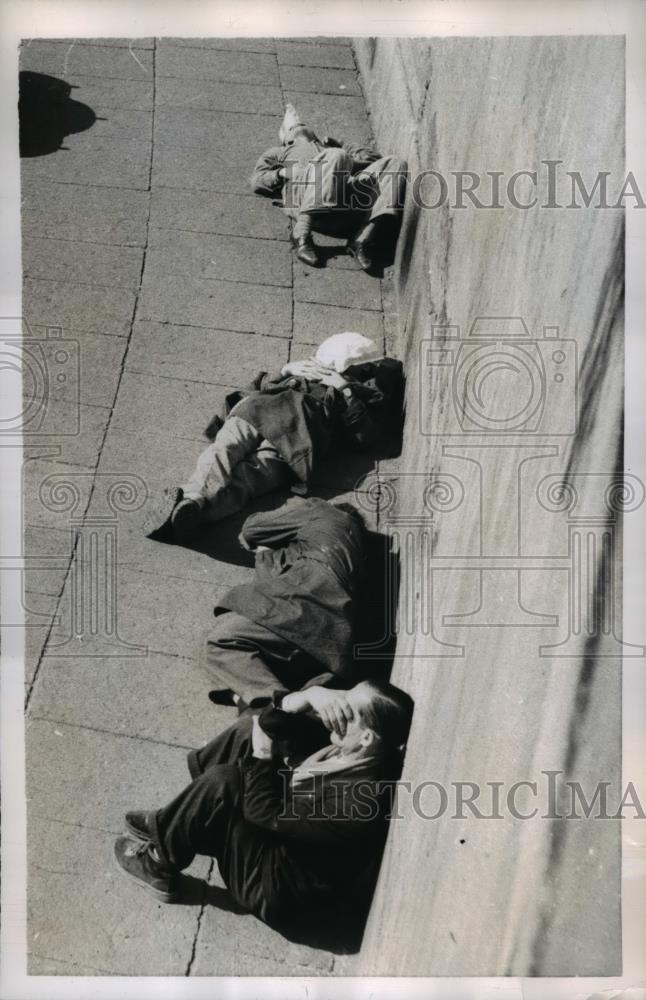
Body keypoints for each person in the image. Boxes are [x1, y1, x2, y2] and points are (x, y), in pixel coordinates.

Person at [113, 679, 414, 931]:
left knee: (226, 781)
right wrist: (307, 696)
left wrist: (261, 753)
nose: (336, 707)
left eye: (347, 707)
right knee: (246, 732)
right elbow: (272, 722)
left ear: (366, 738)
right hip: (280, 835)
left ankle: (159, 863)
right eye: (342, 696)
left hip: (273, 886)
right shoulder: (354, 747)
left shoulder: (359, 802)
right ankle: (180, 823)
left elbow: (264, 812)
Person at [144, 332, 404, 544]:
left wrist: (346, 392)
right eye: (366, 366)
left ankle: (188, 513)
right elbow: (255, 388)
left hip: (294, 444)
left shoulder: (358, 393)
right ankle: (194, 500)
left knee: (247, 477)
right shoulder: (305, 371)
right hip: (263, 417)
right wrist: (284, 370)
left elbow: (365, 438)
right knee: (225, 453)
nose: (371, 369)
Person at [204, 496, 368, 707]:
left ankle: (276, 705)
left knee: (221, 643)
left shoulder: (321, 509)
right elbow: (274, 580)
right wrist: (266, 555)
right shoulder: (348, 548)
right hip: (335, 649)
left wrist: (289, 510)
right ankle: (271, 706)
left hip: (305, 611)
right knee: (264, 677)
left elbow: (253, 528)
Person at [251, 103, 408, 271]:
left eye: (303, 125)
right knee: (336, 156)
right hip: (304, 198)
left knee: (395, 163)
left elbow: (374, 160)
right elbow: (257, 181)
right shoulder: (279, 152)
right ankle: (301, 233)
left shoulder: (332, 148)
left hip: (344, 205)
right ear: (286, 138)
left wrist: (343, 145)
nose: (301, 128)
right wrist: (282, 173)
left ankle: (361, 239)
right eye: (294, 127)